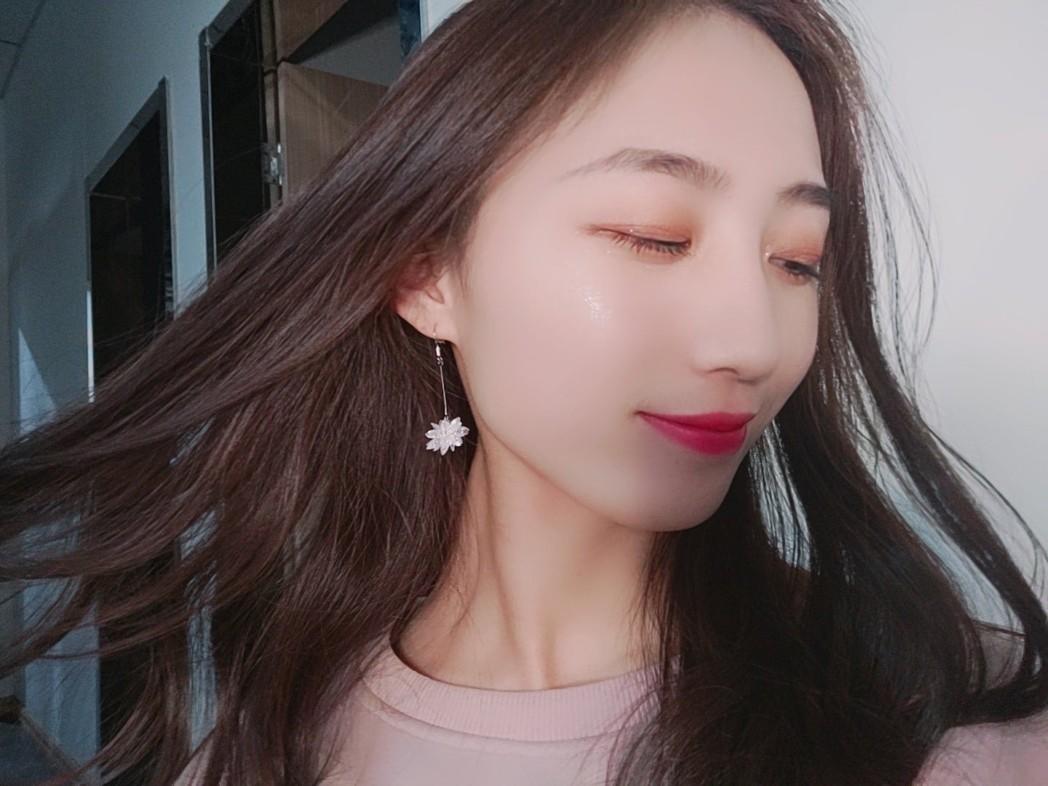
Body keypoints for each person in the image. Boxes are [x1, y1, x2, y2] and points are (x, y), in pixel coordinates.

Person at [2, 1, 1047, 784]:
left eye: (797, 261)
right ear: (427, 274)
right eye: (653, 235)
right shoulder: (269, 739)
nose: (751, 342)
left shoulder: (949, 724)